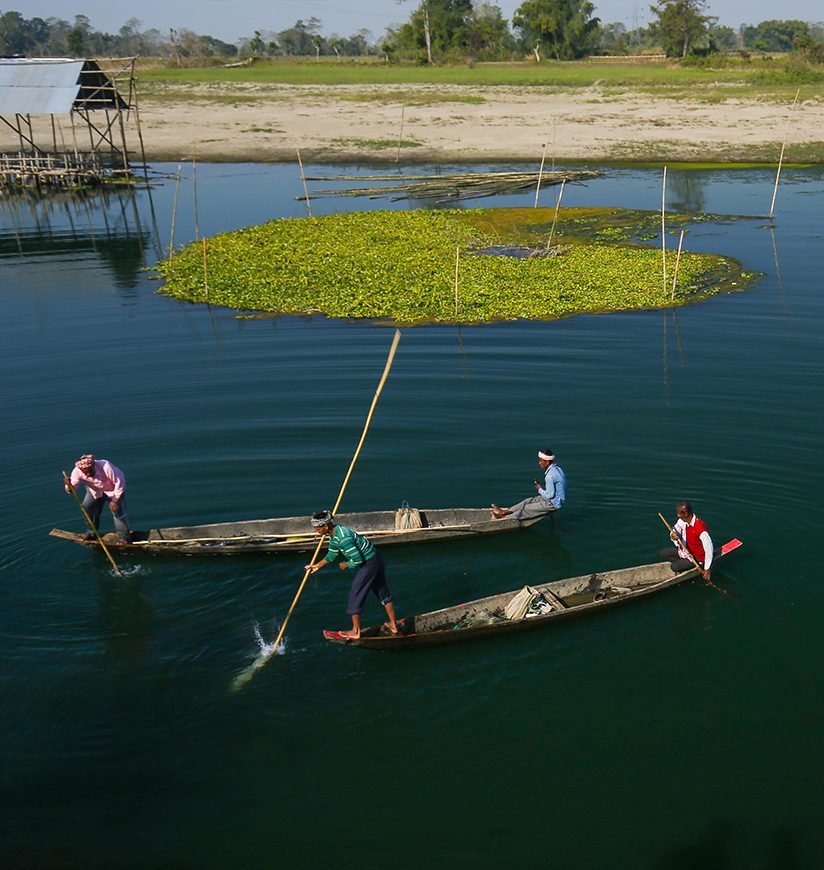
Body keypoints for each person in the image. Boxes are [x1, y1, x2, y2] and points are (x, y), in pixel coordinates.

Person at [304, 510, 398, 639]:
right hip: (375, 557)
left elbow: (358, 559)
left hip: (369, 563)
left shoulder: (343, 538)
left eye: (317, 528)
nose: (316, 531)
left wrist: (346, 565)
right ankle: (393, 625)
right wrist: (317, 565)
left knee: (355, 594)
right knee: (382, 592)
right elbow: (332, 553)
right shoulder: (334, 534)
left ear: (326, 526)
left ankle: (355, 631)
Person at [63, 454, 132, 544]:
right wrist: (69, 485)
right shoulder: (77, 471)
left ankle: (125, 538)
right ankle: (91, 533)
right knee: (87, 508)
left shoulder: (105, 466)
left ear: (93, 465)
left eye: (89, 471)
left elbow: (119, 482)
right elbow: (73, 489)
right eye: (84, 472)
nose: (87, 474)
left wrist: (115, 501)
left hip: (113, 490)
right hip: (95, 491)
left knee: (118, 512)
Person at [491, 449, 567, 520]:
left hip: (553, 503)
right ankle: (504, 512)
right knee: (527, 501)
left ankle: (504, 518)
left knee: (527, 508)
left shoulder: (549, 476)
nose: (539, 462)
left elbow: (550, 495)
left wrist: (539, 489)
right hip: (555, 499)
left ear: (547, 462)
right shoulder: (557, 469)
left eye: (541, 461)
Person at [661, 501, 714, 581]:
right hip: (686, 551)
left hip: (697, 557)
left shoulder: (700, 529)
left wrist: (707, 569)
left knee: (674, 567)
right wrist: (673, 535)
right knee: (663, 553)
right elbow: (675, 530)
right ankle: (684, 563)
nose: (678, 515)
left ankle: (688, 565)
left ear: (686, 513)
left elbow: (709, 549)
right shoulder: (683, 520)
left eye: (679, 513)